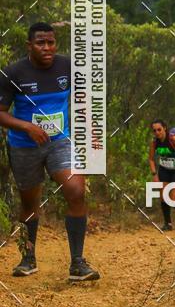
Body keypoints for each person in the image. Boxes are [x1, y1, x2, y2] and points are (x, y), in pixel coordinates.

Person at [0, 22, 100, 281]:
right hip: (24, 146)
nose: (47, 48)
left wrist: (90, 130)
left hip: (60, 142)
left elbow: (82, 100)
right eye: (40, 43)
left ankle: (77, 263)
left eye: (51, 42)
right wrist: (27, 127)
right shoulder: (13, 73)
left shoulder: (68, 66)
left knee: (76, 191)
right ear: (29, 45)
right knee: (29, 203)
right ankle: (28, 258)